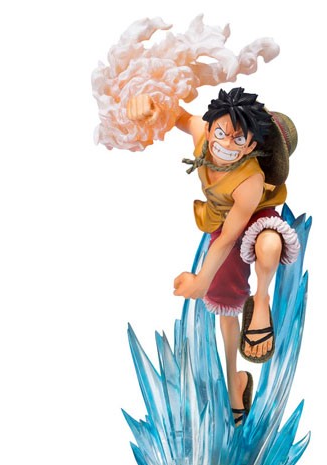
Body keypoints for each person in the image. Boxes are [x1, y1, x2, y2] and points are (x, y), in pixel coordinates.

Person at [127, 87, 300, 424]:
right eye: (221, 132)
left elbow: (232, 236)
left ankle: (261, 303)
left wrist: (201, 279)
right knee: (224, 303)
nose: (226, 143)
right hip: (222, 220)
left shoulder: (250, 181)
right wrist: (149, 106)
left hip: (252, 215)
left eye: (239, 139)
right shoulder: (202, 138)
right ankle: (235, 383)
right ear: (209, 130)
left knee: (268, 246)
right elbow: (177, 114)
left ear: (251, 146)